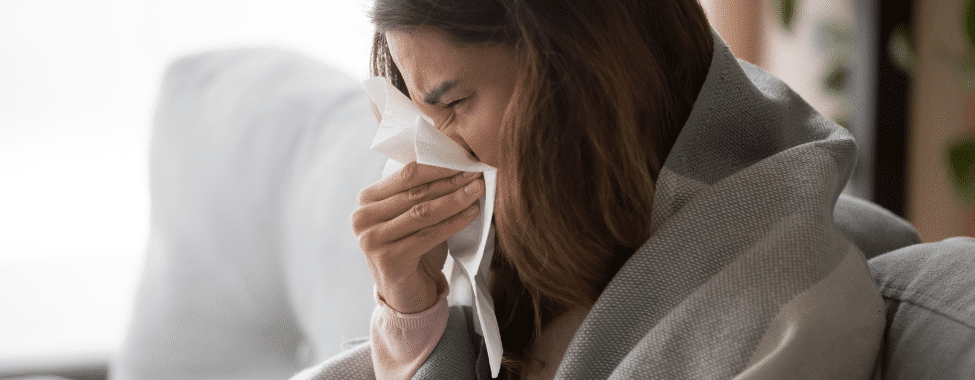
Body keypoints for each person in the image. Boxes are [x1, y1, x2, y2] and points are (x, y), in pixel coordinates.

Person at [291, 0, 886, 379]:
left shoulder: (784, 314)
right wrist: (413, 316)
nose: (435, 153)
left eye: (450, 104)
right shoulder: (529, 278)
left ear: (580, 76)